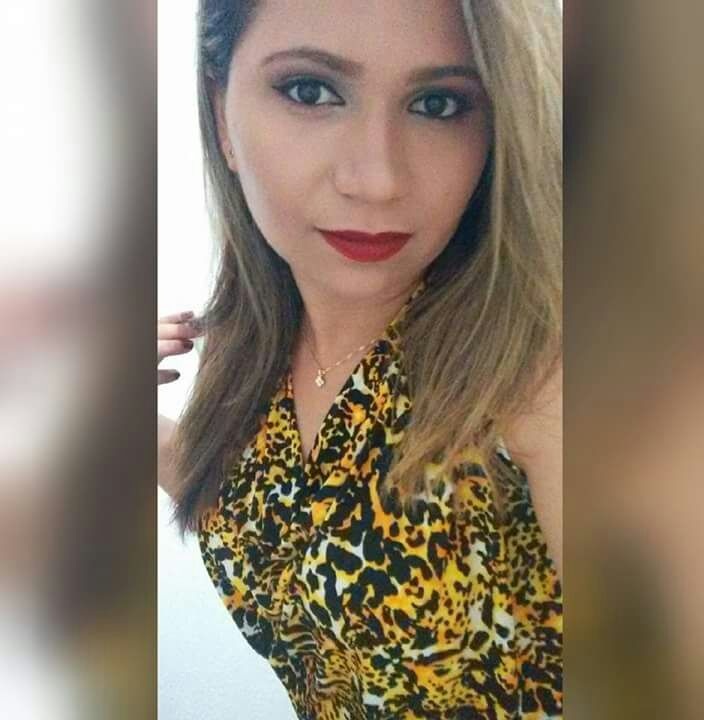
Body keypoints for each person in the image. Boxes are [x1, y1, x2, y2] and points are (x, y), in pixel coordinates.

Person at [158, 0, 562, 717]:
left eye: (438, 104)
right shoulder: (254, 352)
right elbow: (257, 507)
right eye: (310, 90)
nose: (376, 178)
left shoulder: (540, 372)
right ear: (221, 115)